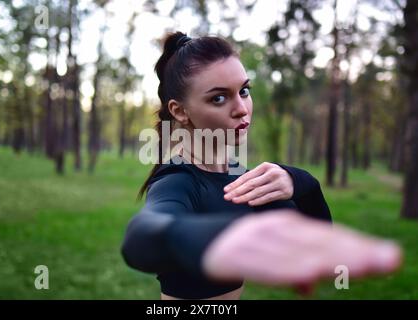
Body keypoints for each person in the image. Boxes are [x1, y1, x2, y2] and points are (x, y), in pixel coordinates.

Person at [121, 32, 402, 300]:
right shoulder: (177, 180)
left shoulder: (240, 178)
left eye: (244, 90)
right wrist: (217, 237)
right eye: (218, 97)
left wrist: (301, 182)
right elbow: (142, 236)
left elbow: (318, 239)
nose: (241, 108)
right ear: (180, 111)